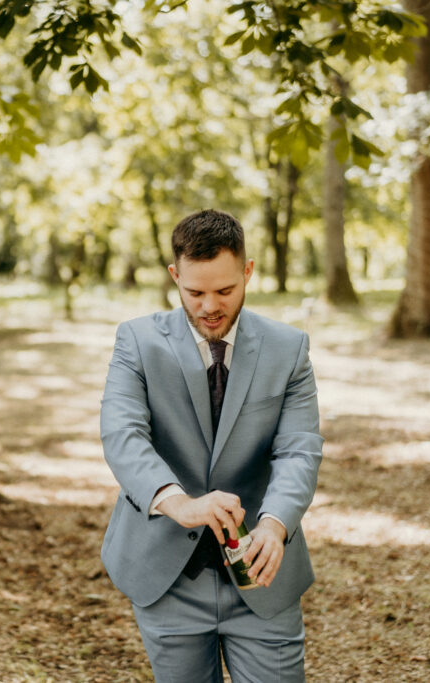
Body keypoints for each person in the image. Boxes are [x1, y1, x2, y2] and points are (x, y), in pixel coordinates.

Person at [100, 209, 322, 682]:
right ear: (174, 276)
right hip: (166, 576)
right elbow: (123, 434)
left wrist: (275, 524)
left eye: (224, 290)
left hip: (263, 573)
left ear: (248, 271)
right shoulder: (135, 341)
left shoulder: (290, 349)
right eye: (194, 293)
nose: (209, 307)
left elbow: (299, 450)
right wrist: (178, 503)